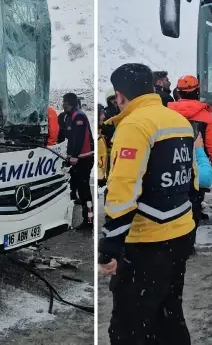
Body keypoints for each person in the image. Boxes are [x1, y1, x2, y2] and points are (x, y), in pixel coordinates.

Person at [99, 63, 197, 344]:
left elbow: (123, 189)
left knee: (130, 326)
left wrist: (111, 245)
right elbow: (189, 178)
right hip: (179, 234)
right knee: (169, 316)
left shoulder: (134, 125)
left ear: (119, 96)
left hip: (146, 241)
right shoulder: (178, 121)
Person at [168, 75, 212, 186]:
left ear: (178, 92)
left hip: (173, 168)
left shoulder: (167, 113)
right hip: (199, 167)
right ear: (197, 92)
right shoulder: (206, 116)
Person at [63, 93, 94, 228]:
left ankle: (89, 219)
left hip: (83, 158)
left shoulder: (79, 116)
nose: (62, 105)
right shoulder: (71, 116)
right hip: (77, 158)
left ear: (69, 103)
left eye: (64, 102)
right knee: (74, 186)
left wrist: (74, 155)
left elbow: (79, 138)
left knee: (84, 190)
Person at [97, 104, 110, 188]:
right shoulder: (97, 136)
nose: (104, 116)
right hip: (99, 177)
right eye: (101, 114)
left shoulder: (100, 133)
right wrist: (99, 177)